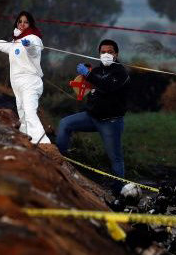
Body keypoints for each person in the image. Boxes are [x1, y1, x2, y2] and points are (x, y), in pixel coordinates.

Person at [56, 39, 130, 193]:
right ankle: (58, 162)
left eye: (110, 52)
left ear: (116, 54)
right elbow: (87, 86)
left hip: (111, 122)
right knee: (64, 124)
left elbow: (107, 85)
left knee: (115, 159)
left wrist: (88, 74)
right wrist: (83, 77)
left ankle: (118, 194)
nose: (106, 55)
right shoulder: (96, 71)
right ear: (99, 54)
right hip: (91, 117)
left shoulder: (120, 72)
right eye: (103, 52)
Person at [0, 11, 50, 144]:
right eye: (20, 21)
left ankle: (43, 143)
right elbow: (6, 46)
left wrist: (28, 46)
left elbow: (34, 51)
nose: (22, 24)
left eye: (25, 22)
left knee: (29, 111)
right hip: (17, 84)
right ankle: (26, 140)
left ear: (30, 23)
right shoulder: (16, 41)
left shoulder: (33, 38)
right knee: (22, 113)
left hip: (30, 82)